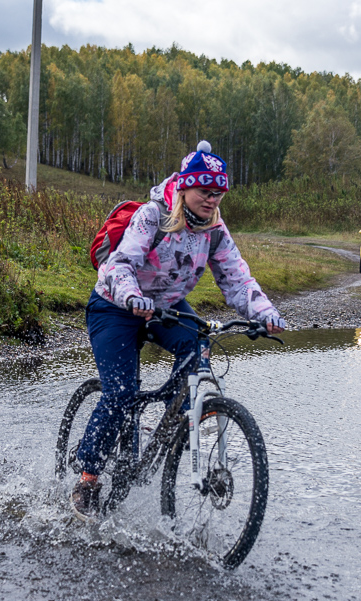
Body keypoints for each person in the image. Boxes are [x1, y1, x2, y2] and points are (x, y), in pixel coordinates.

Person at [71, 141, 286, 519]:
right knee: (120, 394)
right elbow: (119, 265)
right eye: (205, 191)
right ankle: (88, 477)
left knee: (196, 345)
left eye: (218, 194)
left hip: (165, 308)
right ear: (184, 188)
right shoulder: (153, 216)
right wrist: (133, 297)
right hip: (115, 304)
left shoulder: (215, 231)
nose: (212, 200)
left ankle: (172, 427)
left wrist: (265, 312)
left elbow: (237, 280)